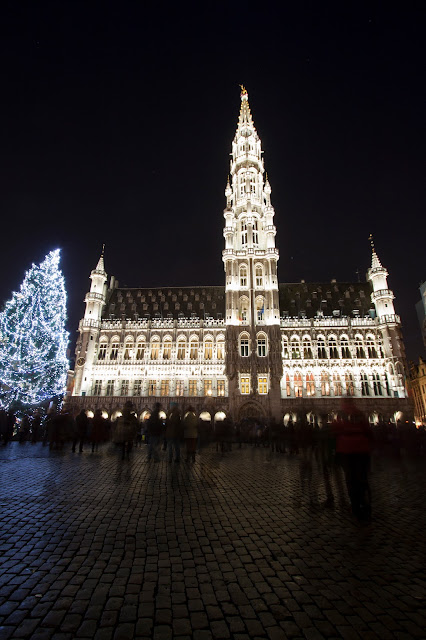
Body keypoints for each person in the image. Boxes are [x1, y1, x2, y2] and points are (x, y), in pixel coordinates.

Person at [332, 399, 373, 522]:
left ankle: (355, 506)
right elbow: (368, 430)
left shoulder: (341, 414)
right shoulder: (359, 414)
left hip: (347, 451)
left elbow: (335, 430)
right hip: (362, 450)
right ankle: (365, 502)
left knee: (350, 479)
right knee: (362, 478)